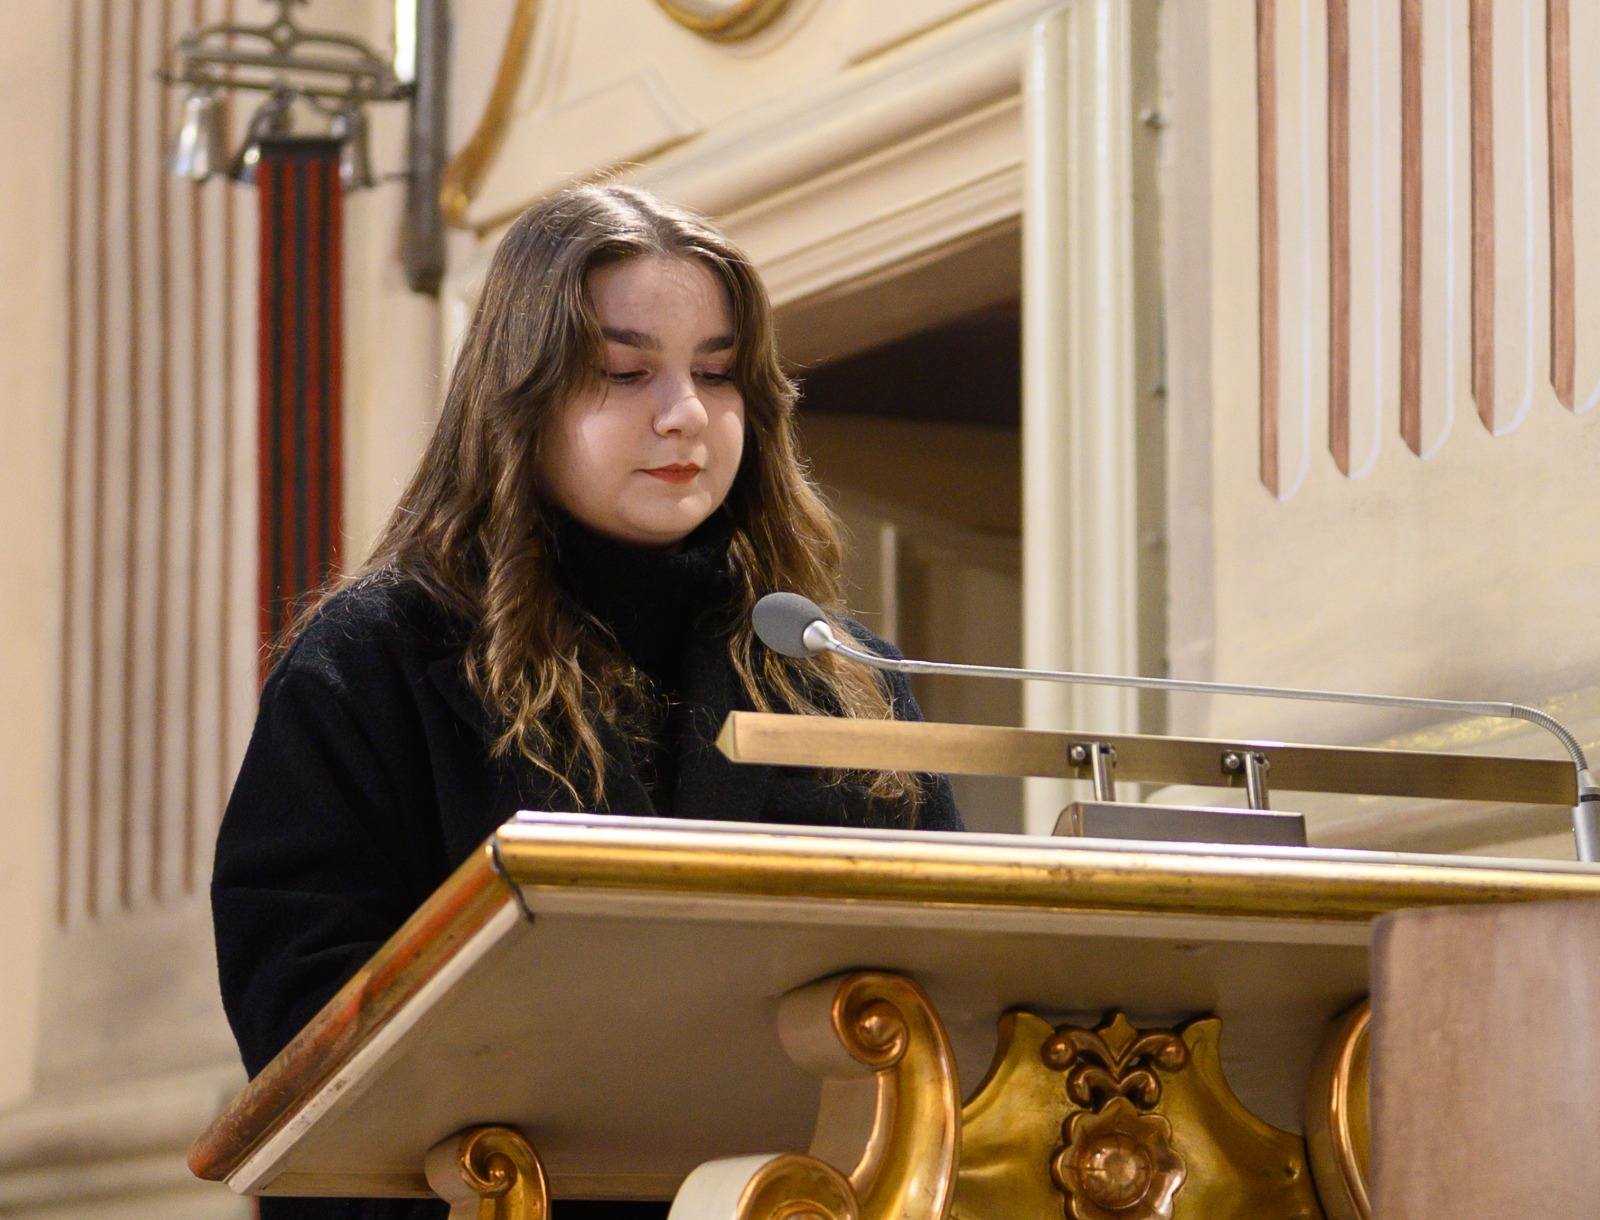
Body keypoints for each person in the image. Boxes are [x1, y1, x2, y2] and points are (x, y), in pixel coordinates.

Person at [211, 184, 964, 1220]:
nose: (684, 412)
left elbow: (945, 988)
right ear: (518, 397)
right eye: (623, 371)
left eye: (717, 372)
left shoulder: (840, 675)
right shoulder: (374, 660)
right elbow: (307, 1037)